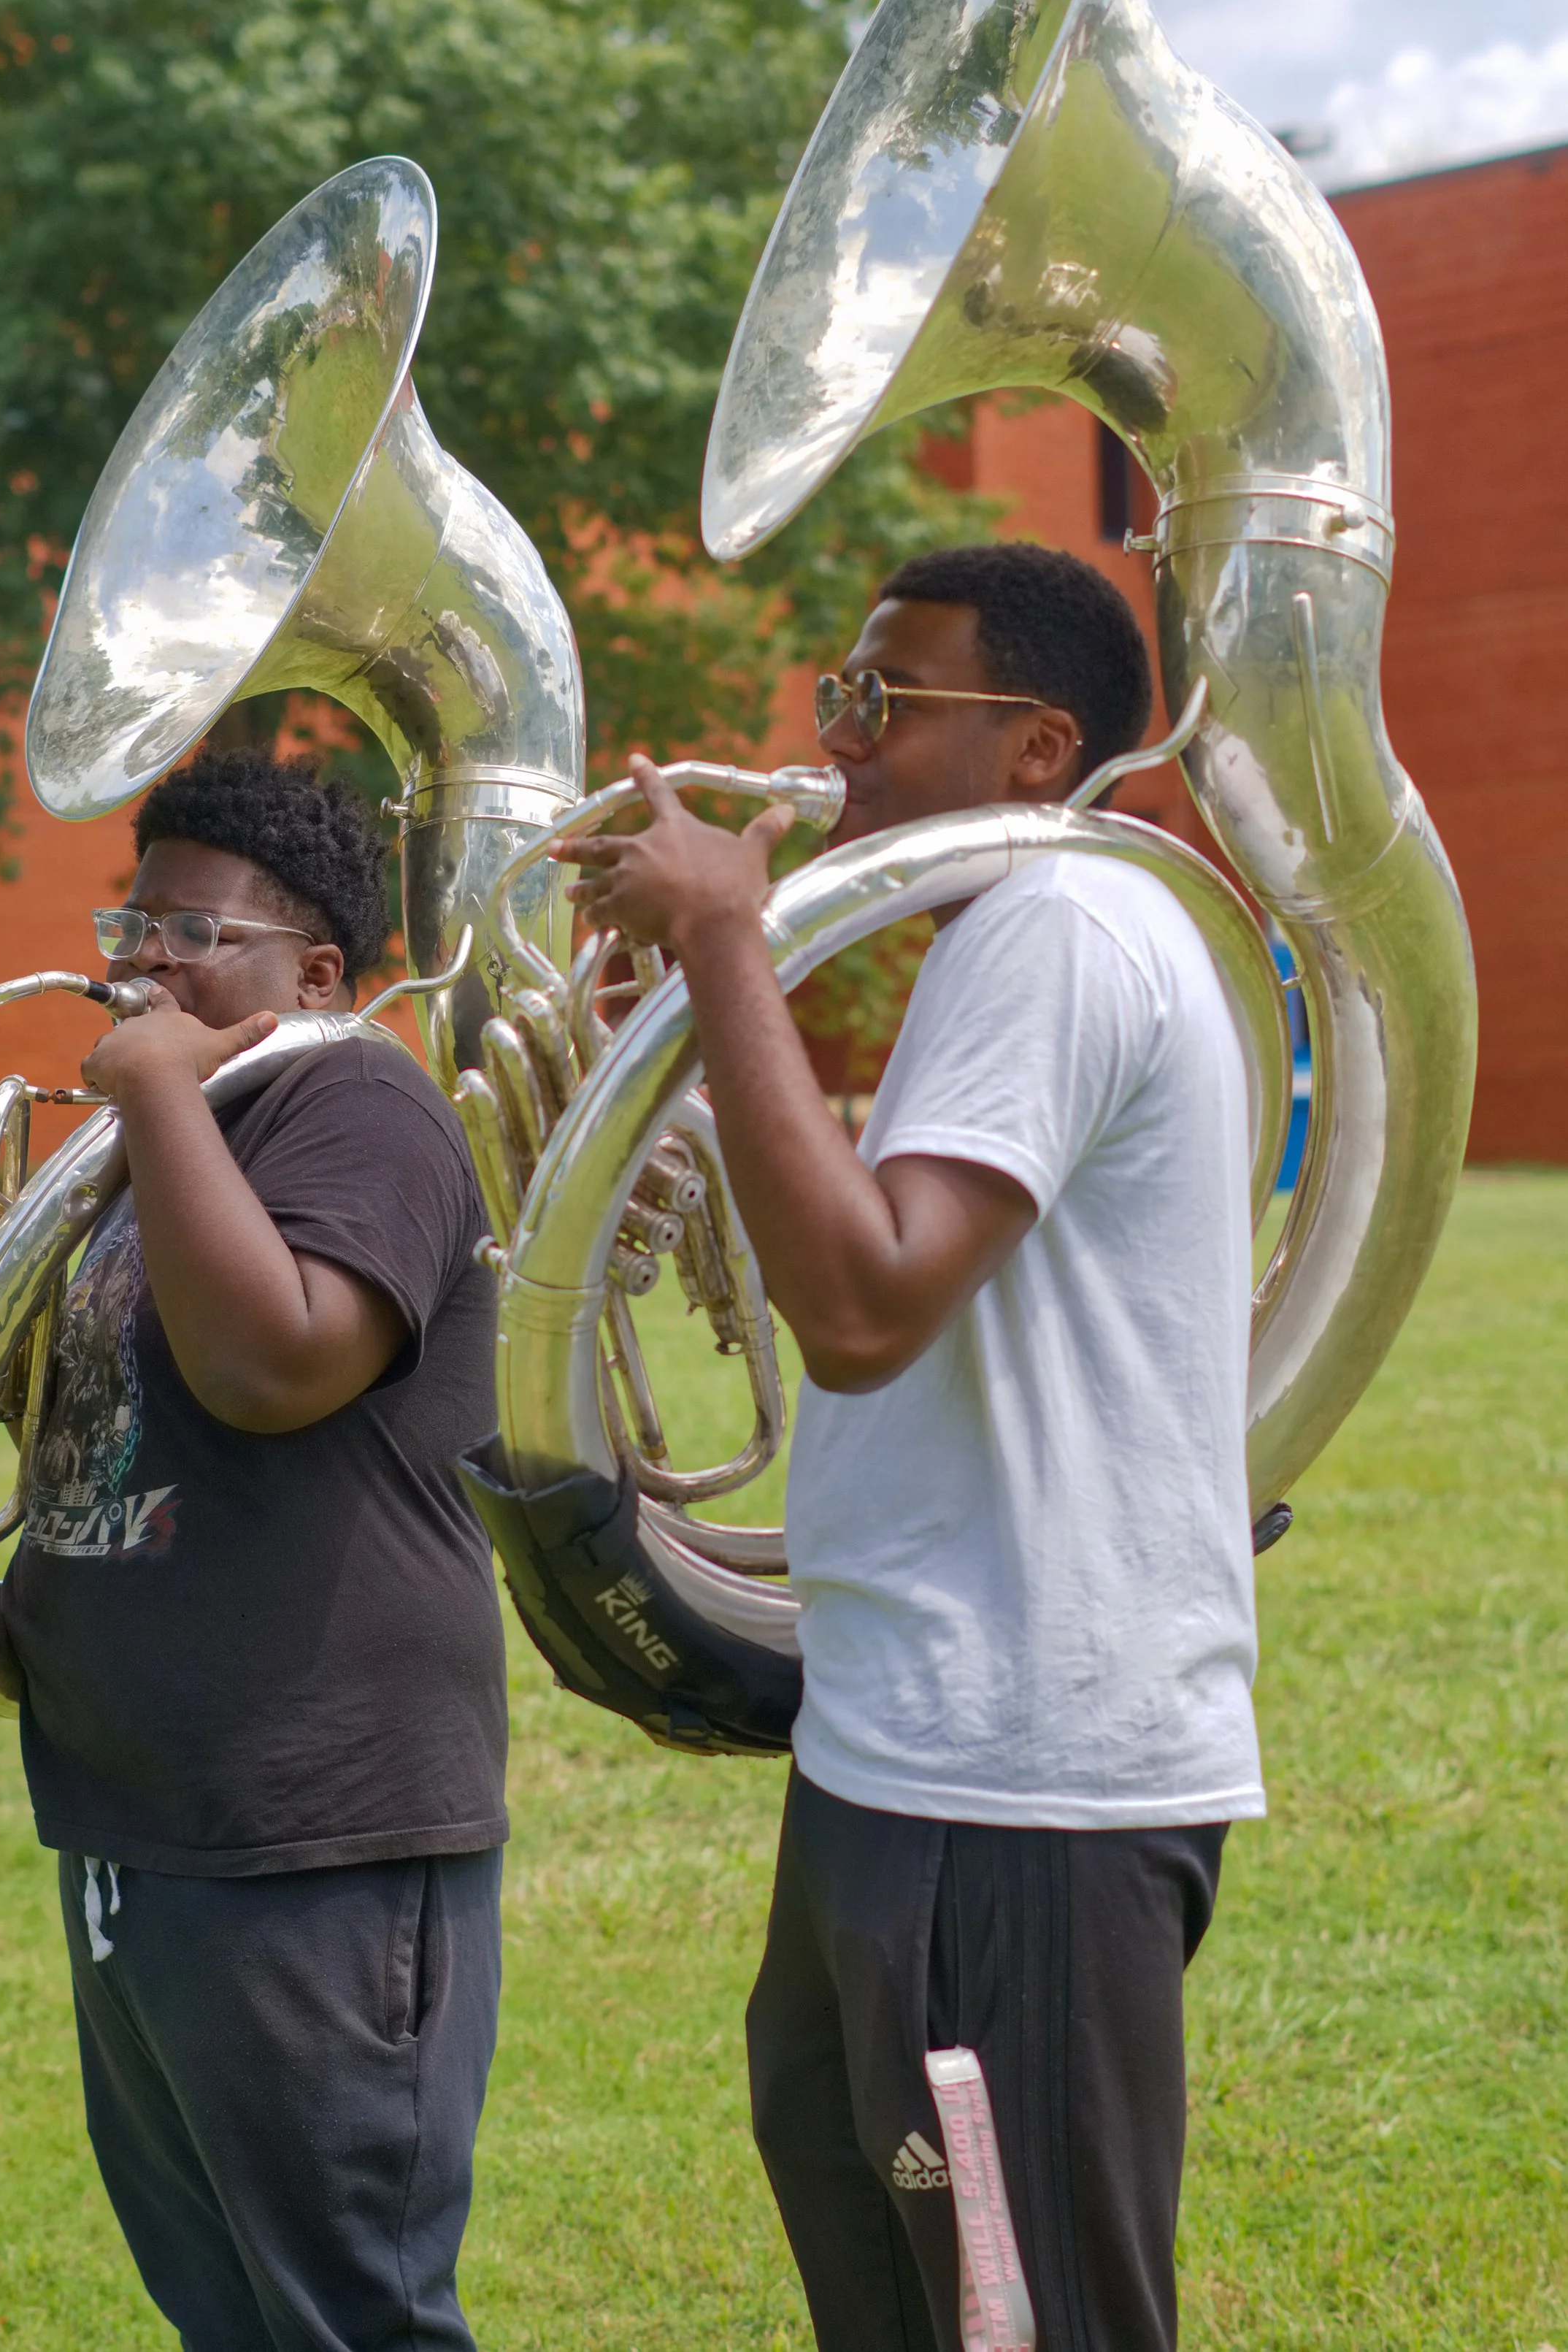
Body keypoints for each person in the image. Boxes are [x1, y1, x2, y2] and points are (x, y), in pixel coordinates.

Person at [553, 542, 1265, 2352]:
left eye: (884, 705)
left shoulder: (1057, 925)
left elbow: (860, 1310)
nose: (836, 748)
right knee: (897, 2278)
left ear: (1035, 748)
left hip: (1014, 1775)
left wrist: (725, 941)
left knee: (1017, 2316)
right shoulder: (1009, 937)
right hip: (914, 1744)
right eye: (836, 702)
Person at [0, 750, 505, 2352]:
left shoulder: (354, 1099)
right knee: (227, 2307)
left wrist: (148, 1086)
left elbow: (276, 1366)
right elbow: (125, 1429)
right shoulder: (168, 1145)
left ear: (321, 974)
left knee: (345, 2313)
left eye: (193, 934)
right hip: (146, 1814)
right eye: (129, 923)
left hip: (311, 1826)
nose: (143, 962)